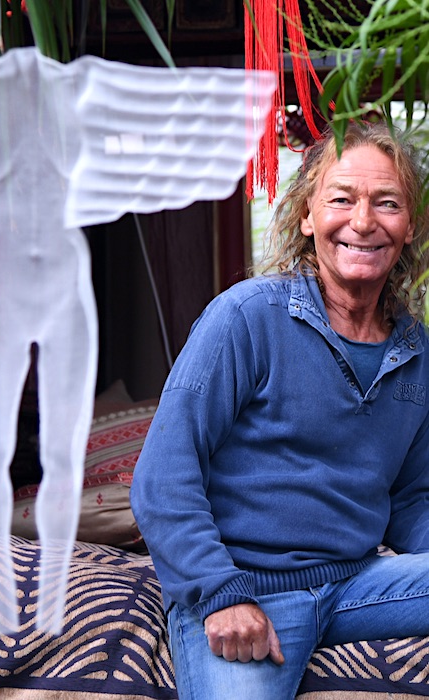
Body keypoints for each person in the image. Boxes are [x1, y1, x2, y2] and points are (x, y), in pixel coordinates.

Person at [130, 120, 429, 700]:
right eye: (341, 199)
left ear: (410, 225)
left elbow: (410, 499)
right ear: (307, 216)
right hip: (245, 590)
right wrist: (220, 594)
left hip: (356, 585)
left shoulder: (416, 351)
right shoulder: (245, 318)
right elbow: (163, 477)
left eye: (386, 203)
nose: (363, 222)